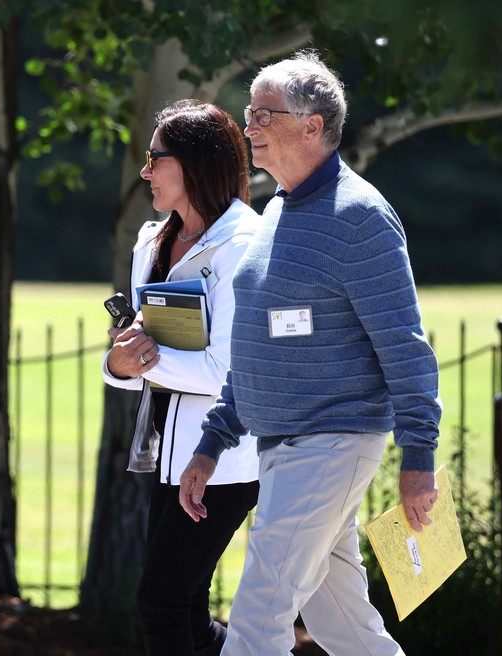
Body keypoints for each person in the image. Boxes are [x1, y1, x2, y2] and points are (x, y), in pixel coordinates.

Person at [178, 51, 442, 656]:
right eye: (249, 114)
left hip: (331, 442)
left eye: (263, 115)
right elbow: (259, 344)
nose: (249, 129)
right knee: (345, 629)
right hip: (284, 447)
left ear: (312, 125)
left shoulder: (361, 217)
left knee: (257, 615)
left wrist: (419, 456)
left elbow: (404, 345)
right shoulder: (275, 212)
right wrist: (213, 441)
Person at [103, 100, 261, 656]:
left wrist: (139, 359)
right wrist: (118, 365)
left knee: (161, 604)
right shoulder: (151, 241)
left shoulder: (245, 246)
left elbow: (227, 371)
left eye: (155, 158)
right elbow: (141, 348)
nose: (145, 171)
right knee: (186, 611)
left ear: (193, 163)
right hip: (167, 454)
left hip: (225, 459)